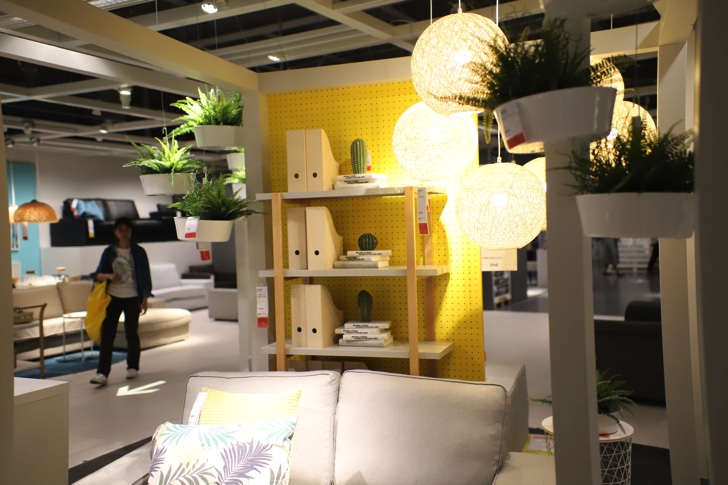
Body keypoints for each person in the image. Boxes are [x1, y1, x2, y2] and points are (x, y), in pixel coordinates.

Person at [90, 217, 152, 386]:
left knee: (131, 333)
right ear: (115, 232)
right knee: (107, 335)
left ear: (131, 232)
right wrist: (109, 276)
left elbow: (145, 276)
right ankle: (102, 373)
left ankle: (132, 366)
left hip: (132, 297)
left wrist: (145, 298)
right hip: (112, 297)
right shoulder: (109, 252)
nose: (124, 233)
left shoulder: (138, 252)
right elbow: (97, 274)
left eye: (127, 230)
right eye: (120, 230)